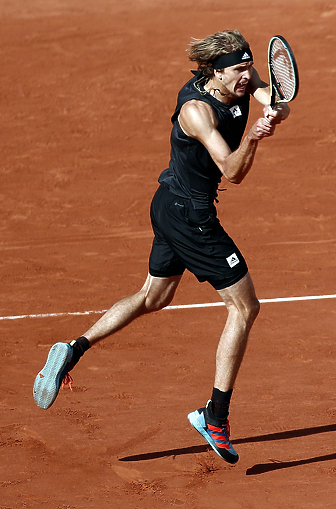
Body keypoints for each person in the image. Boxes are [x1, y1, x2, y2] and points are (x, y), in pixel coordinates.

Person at [33, 29, 290, 465]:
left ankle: (72, 349)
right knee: (245, 307)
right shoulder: (196, 112)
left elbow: (270, 95)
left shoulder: (237, 82)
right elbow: (232, 170)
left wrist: (275, 109)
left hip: (168, 204)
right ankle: (215, 415)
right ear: (216, 71)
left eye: (251, 67)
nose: (249, 77)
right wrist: (255, 137)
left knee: (154, 296)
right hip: (192, 217)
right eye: (240, 70)